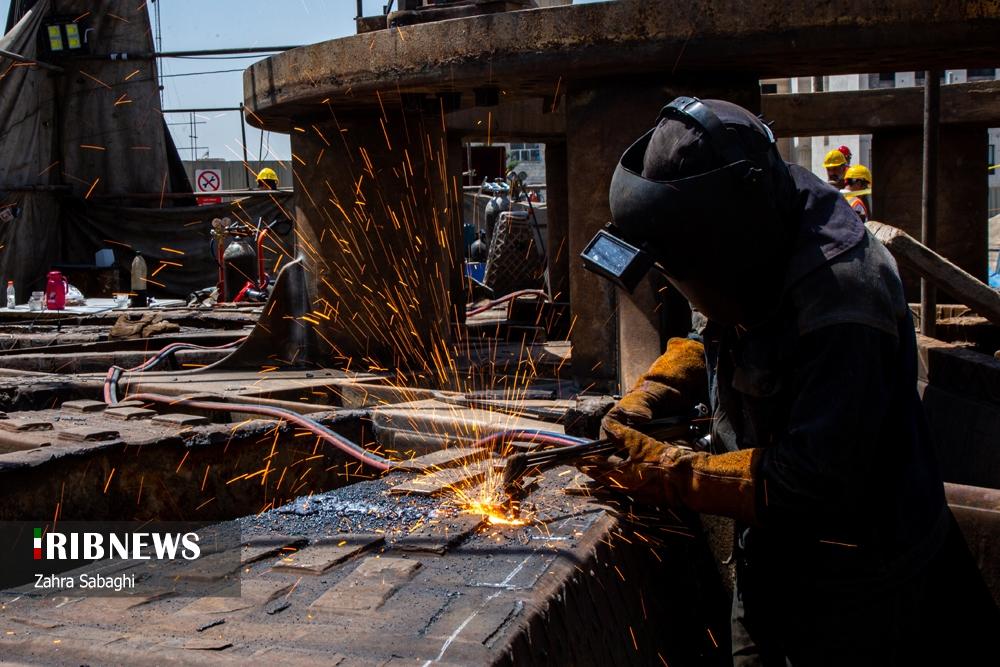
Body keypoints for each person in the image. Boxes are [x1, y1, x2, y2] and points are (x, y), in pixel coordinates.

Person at [578, 96, 998, 665]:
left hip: (860, 589)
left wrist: (666, 471)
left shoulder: (844, 302)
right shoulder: (755, 218)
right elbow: (713, 331)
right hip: (770, 556)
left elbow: (812, 482)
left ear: (732, 239)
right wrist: (653, 393)